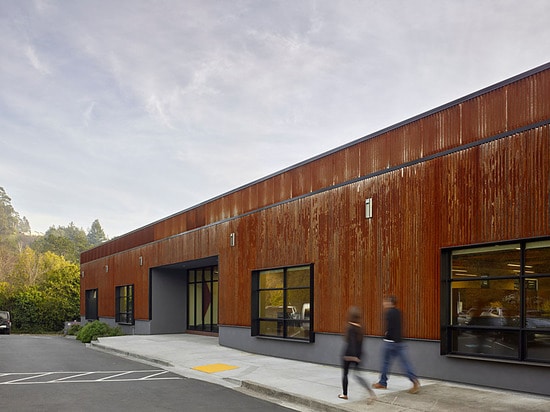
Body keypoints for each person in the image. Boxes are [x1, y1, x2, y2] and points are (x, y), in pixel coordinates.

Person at [372, 295, 420, 394]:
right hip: (399, 342)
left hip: (389, 342)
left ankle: (382, 383)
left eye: (385, 302)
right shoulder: (398, 312)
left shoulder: (389, 312)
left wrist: (386, 333)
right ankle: (414, 380)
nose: (384, 303)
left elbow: (389, 328)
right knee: (405, 363)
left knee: (385, 363)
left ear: (390, 303)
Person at [338, 306, 377, 404]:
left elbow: (351, 342)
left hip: (349, 354)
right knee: (358, 375)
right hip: (359, 355)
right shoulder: (361, 328)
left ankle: (344, 394)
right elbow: (360, 343)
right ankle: (370, 392)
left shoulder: (350, 327)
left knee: (345, 374)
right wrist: (358, 356)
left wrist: (351, 355)